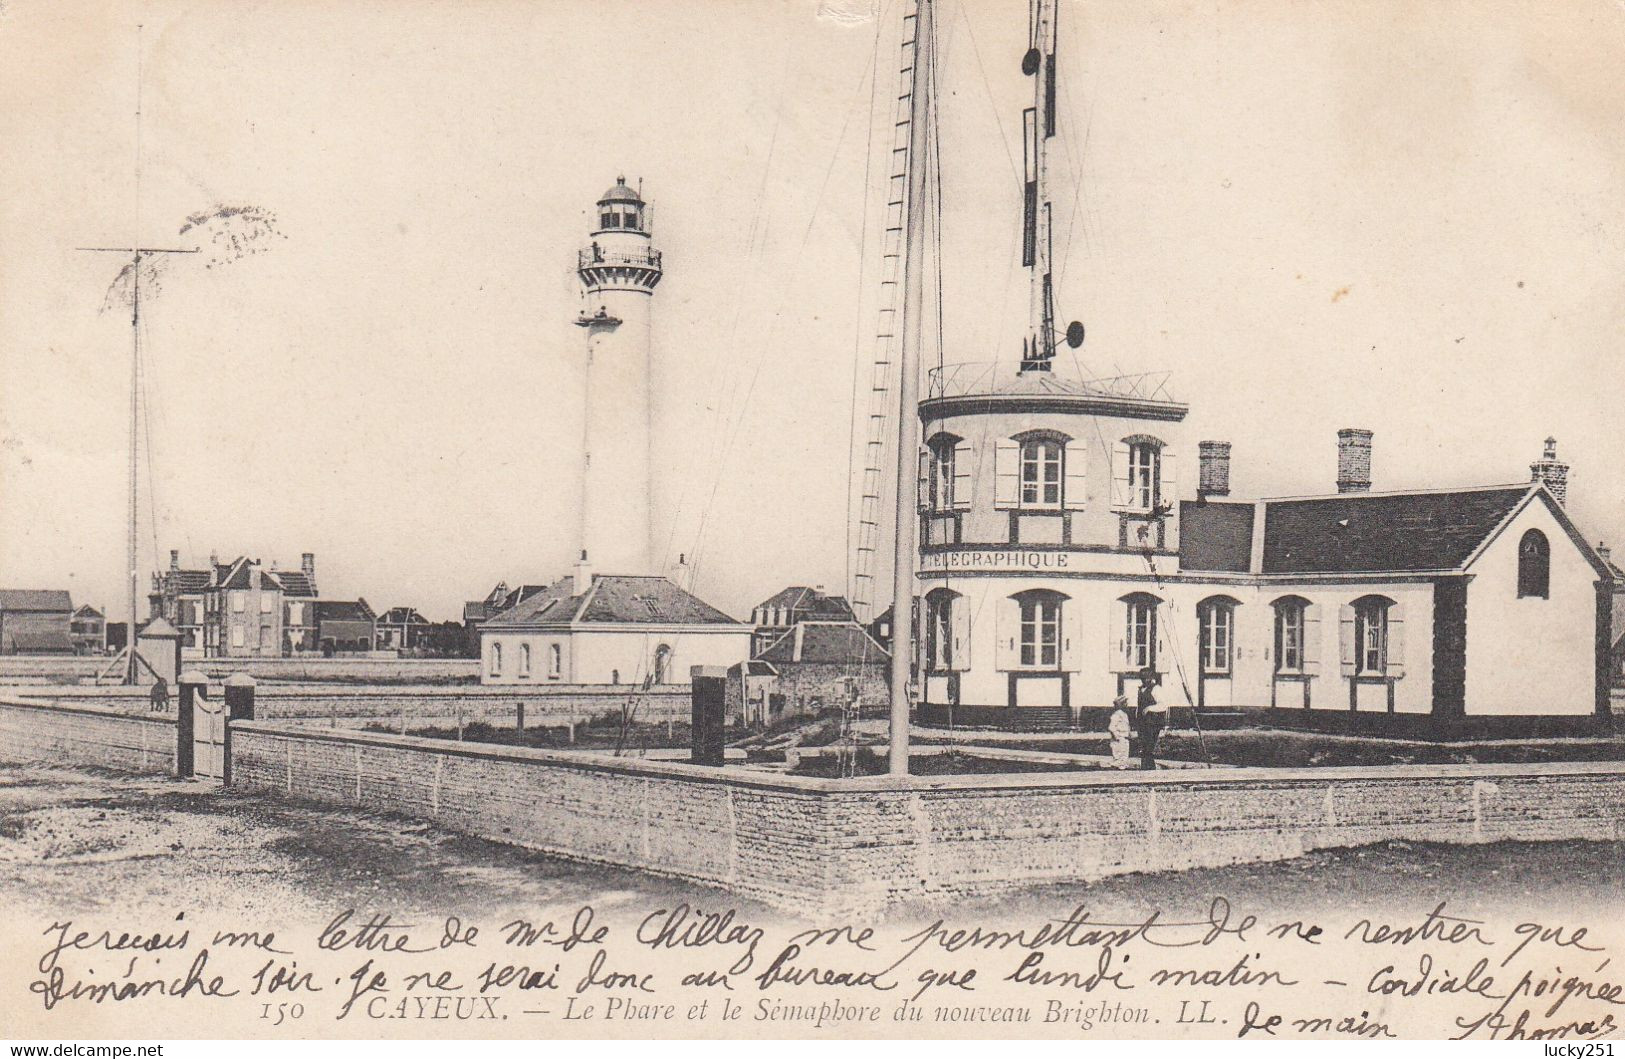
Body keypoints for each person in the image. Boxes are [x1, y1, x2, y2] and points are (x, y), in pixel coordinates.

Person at [1136, 667, 1167, 770]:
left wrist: (1150, 708)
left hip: (1153, 722)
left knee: (1149, 747)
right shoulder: (1141, 689)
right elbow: (1139, 706)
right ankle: (1146, 768)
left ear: (1151, 677)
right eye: (1142, 678)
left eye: (1147, 678)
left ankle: (1149, 769)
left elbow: (1163, 705)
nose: (1144, 680)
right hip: (1142, 722)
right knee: (1143, 747)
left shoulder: (1156, 689)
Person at [1107, 697, 1132, 769]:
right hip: (1119, 738)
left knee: (1124, 755)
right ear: (1120, 705)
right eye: (1125, 703)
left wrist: (1129, 733)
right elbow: (1111, 727)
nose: (1127, 705)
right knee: (1118, 755)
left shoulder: (1124, 714)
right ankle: (1118, 769)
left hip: (1124, 737)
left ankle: (1122, 766)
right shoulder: (1116, 715)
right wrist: (1116, 736)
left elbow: (1126, 725)